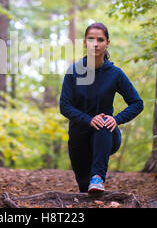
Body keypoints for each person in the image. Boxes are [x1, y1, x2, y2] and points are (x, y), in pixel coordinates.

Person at [59, 22, 144, 194]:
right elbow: (64, 106)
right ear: (84, 43)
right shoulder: (74, 71)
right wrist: (89, 120)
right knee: (84, 189)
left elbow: (137, 103)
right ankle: (91, 184)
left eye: (100, 39)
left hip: (106, 136)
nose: (95, 44)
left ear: (107, 43)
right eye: (91, 39)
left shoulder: (115, 74)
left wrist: (116, 119)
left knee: (103, 121)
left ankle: (98, 177)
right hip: (79, 137)